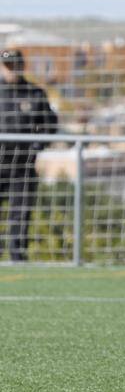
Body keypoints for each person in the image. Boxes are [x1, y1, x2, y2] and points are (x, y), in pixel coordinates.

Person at [0, 49, 58, 261]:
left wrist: (37, 146)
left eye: (15, 65)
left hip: (23, 163)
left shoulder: (34, 93)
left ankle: (17, 255)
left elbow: (49, 124)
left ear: (22, 66)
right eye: (7, 66)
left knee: (21, 211)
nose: (11, 70)